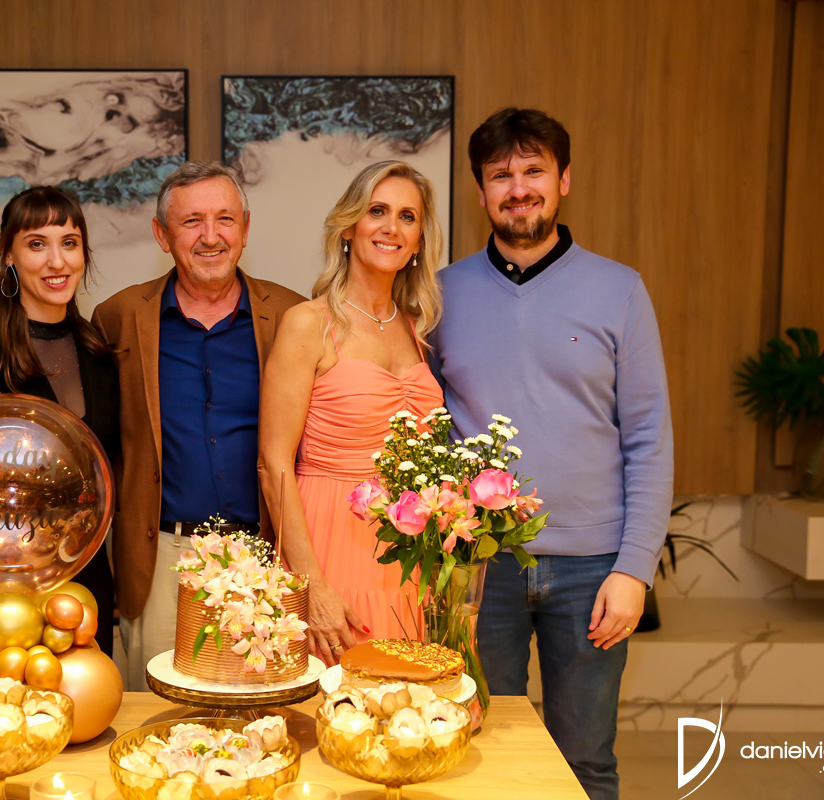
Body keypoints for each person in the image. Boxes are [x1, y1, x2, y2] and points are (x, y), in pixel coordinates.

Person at [432, 108, 673, 800]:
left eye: (534, 170)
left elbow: (649, 437)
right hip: (481, 568)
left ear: (563, 179)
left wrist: (634, 569)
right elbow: (425, 429)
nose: (519, 188)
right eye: (500, 175)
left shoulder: (619, 290)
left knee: (585, 762)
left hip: (593, 570)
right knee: (475, 754)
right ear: (481, 191)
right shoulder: (441, 295)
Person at [91, 161, 304, 691]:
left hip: (266, 555)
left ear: (245, 229)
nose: (211, 236)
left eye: (225, 219)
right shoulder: (118, 318)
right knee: (160, 714)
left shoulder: (293, 316)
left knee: (262, 710)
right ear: (162, 235)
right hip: (163, 559)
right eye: (191, 222)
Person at [258, 160, 445, 666]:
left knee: (407, 704)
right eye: (376, 211)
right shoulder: (308, 323)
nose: (391, 227)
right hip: (329, 545)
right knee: (336, 701)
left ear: (419, 240)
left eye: (407, 216)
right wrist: (311, 586)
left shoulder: (416, 329)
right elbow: (273, 462)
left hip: (406, 559)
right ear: (348, 227)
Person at [0, 185, 119, 657]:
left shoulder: (103, 357)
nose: (57, 261)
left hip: (83, 588)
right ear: (9, 256)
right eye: (37, 244)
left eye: (69, 242)